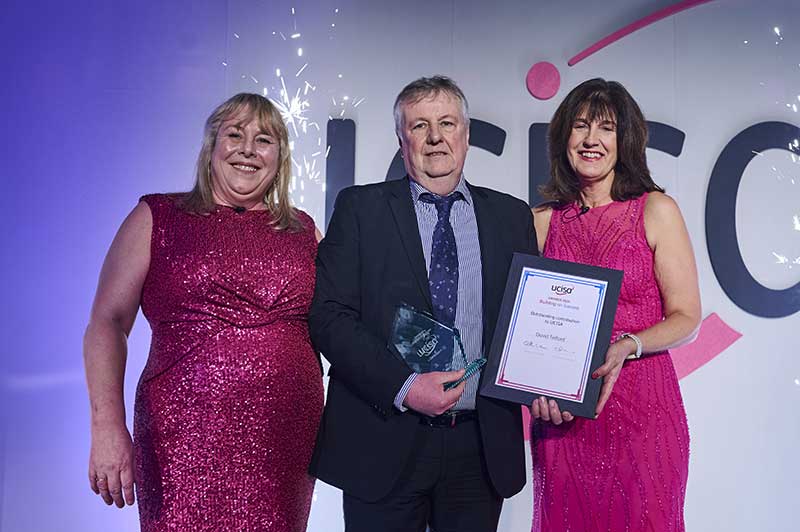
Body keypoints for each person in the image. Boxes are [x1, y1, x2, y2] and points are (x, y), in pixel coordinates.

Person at [83, 93, 323, 531]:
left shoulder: (305, 231)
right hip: (180, 439)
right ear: (212, 147)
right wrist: (107, 427)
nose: (248, 148)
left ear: (280, 157)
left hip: (283, 444)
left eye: (264, 139)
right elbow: (107, 322)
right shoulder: (156, 217)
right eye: (235, 134)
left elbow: (339, 326)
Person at [308, 75, 537, 532]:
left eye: (447, 123)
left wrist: (549, 384)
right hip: (383, 437)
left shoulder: (512, 217)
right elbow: (329, 316)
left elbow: (525, 324)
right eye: (419, 126)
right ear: (401, 139)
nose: (435, 138)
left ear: (466, 136)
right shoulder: (360, 209)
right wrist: (406, 386)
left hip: (479, 444)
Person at [529, 78, 701, 531]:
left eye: (605, 128)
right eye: (580, 126)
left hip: (644, 416)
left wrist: (629, 343)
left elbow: (686, 316)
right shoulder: (540, 223)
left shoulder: (656, 209)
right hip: (563, 420)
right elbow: (522, 326)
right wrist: (534, 390)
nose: (591, 140)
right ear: (563, 136)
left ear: (625, 141)